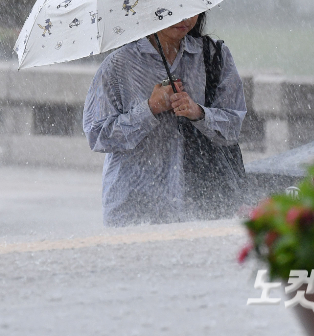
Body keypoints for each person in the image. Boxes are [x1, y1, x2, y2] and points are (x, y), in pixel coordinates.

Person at [82, 12, 246, 226]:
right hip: (134, 205)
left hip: (202, 201)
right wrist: (149, 109)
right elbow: (98, 135)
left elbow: (234, 125)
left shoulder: (214, 55)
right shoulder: (119, 65)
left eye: (190, 7)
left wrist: (199, 113)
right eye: (173, 9)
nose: (184, 17)